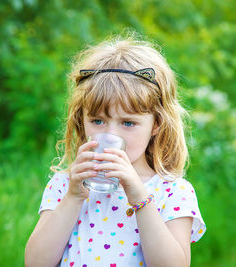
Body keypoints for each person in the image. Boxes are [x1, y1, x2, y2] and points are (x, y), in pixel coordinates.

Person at [25, 34, 206, 267]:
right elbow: (35, 263)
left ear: (156, 125)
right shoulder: (65, 186)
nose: (112, 135)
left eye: (128, 123)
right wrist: (73, 196)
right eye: (98, 121)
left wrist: (140, 198)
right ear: (82, 120)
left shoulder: (172, 192)